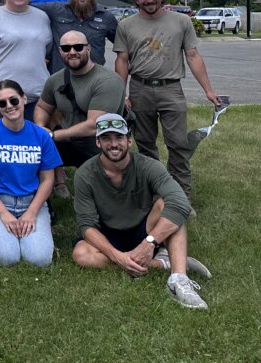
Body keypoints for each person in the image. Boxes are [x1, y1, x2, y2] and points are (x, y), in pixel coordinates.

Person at [72, 113, 212, 309]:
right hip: (109, 233)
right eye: (106, 138)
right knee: (81, 254)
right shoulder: (84, 174)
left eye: (119, 138)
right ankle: (164, 263)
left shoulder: (148, 166)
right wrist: (117, 257)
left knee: (168, 205)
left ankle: (178, 280)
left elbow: (181, 203)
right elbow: (86, 225)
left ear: (129, 140)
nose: (113, 144)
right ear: (98, 142)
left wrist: (149, 242)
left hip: (144, 230)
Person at [113, 0, 222, 201]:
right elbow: (122, 60)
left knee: (178, 144)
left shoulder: (182, 22)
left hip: (171, 89)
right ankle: (154, 191)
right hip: (140, 89)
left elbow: (192, 55)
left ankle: (181, 196)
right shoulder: (126, 25)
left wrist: (208, 90)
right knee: (145, 144)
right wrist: (121, 94)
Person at [0, 80, 62, 267]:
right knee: (7, 258)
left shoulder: (41, 135)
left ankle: (26, 235)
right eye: (2, 103)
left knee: (39, 260)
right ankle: (6, 236)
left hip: (31, 201)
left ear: (24, 99)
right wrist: (3, 213)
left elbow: (47, 180)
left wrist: (32, 212)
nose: (9, 106)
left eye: (13, 100)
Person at [34, 31, 125, 172]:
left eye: (78, 47)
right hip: (66, 142)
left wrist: (53, 135)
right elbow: (42, 107)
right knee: (28, 155)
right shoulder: (55, 80)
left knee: (104, 187)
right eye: (66, 48)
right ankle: (53, 181)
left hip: (97, 144)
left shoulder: (108, 81)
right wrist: (40, 127)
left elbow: (95, 125)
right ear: (60, 52)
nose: (72, 52)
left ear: (88, 49)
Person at [39, 0, 117, 72]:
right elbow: (25, 7)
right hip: (60, 81)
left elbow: (122, 47)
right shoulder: (55, 10)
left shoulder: (106, 17)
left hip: (94, 81)